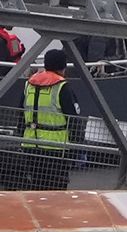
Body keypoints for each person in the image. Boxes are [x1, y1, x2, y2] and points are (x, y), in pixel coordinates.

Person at [3, 49, 83, 190]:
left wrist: (21, 137)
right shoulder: (62, 87)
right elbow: (74, 119)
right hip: (56, 149)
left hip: (30, 145)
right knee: (55, 190)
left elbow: (21, 114)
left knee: (36, 186)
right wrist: (77, 148)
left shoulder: (29, 84)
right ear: (63, 66)